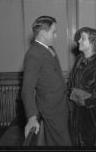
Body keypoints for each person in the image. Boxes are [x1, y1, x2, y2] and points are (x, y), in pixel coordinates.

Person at [21, 15, 71, 146]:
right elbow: (27, 90)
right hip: (51, 110)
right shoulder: (33, 54)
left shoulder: (49, 48)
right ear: (43, 33)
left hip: (60, 106)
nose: (56, 35)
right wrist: (31, 117)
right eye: (53, 32)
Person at [67, 27, 96, 146]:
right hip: (75, 112)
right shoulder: (79, 59)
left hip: (89, 115)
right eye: (80, 38)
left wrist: (85, 101)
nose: (79, 41)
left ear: (93, 43)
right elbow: (71, 82)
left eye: (83, 39)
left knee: (86, 143)